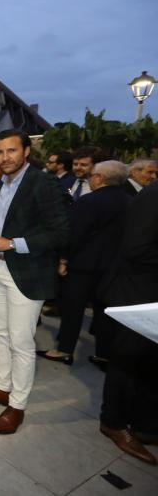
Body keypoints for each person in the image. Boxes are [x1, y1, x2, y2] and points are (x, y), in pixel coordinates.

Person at [0, 129, 70, 435]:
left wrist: (12, 244)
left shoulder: (45, 183)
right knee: (1, 334)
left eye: (11, 151)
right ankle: (1, 387)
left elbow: (61, 233)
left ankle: (17, 404)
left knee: (22, 341)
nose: (4, 157)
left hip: (26, 271)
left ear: (26, 151)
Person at [37, 161, 131, 369]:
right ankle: (104, 355)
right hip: (113, 267)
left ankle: (64, 350)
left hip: (83, 265)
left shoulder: (90, 201)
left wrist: (63, 260)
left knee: (73, 309)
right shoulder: (131, 201)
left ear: (101, 178)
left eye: (93, 175)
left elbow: (75, 234)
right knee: (103, 311)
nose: (90, 178)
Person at [98, 181, 158, 465]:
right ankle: (114, 423)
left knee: (150, 362)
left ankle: (146, 425)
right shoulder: (153, 195)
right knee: (126, 362)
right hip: (137, 294)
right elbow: (137, 247)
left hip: (149, 293)